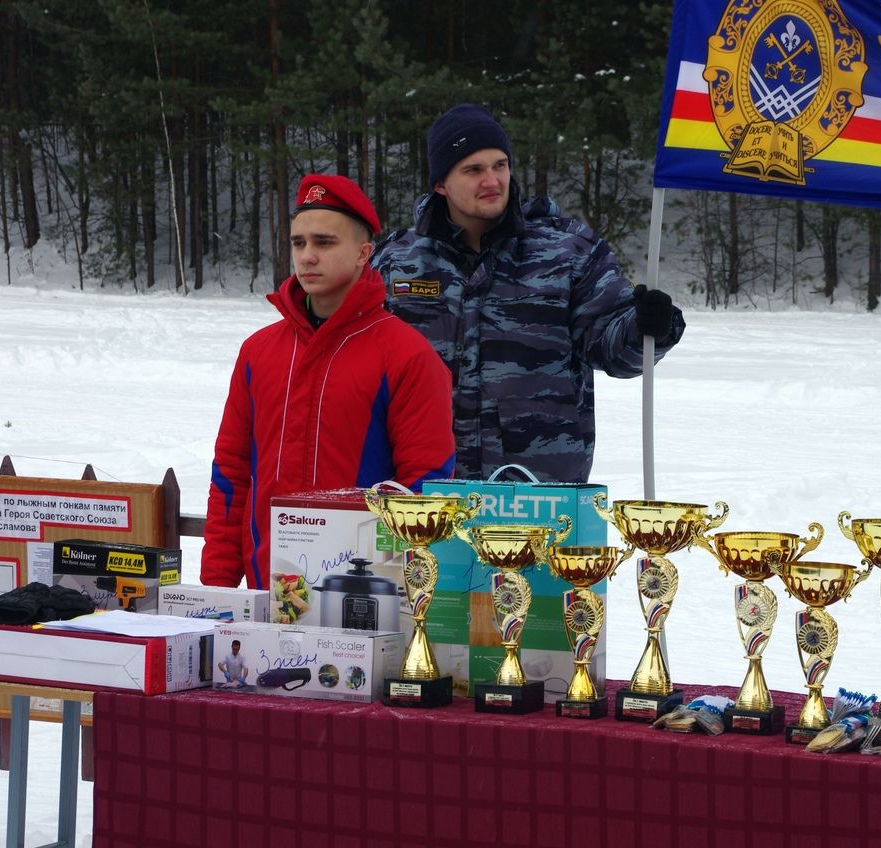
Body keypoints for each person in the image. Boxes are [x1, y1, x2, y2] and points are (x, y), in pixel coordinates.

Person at [372, 103, 685, 484]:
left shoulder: (567, 251)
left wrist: (647, 327)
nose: (491, 180)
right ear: (441, 183)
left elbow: (613, 349)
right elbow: (359, 361)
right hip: (427, 499)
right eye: (473, 170)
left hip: (539, 496)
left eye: (499, 165)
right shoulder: (397, 261)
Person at [201, 174, 456, 590]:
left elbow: (425, 489)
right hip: (268, 595)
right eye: (298, 243)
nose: (307, 257)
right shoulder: (259, 351)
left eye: (324, 242)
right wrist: (217, 590)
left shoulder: (407, 355)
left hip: (366, 598)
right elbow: (231, 474)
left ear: (363, 253)